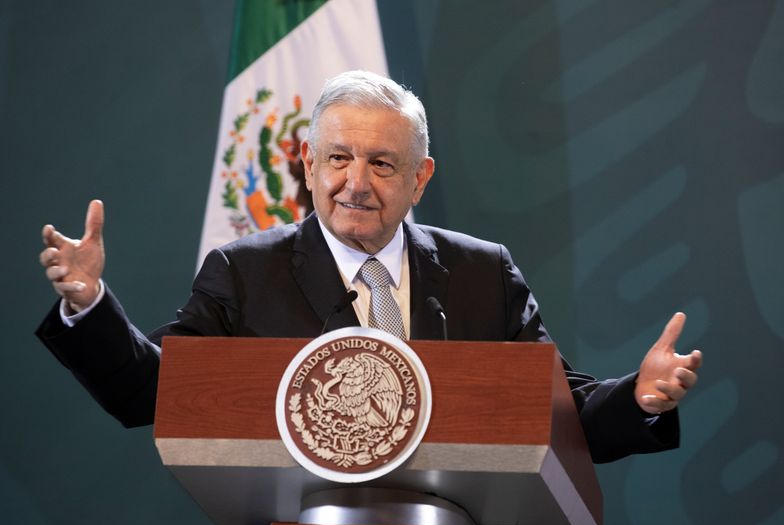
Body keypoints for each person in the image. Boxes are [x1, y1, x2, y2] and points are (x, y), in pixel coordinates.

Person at [36, 70, 701, 463]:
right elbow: (154, 393)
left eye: (382, 164)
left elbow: (553, 408)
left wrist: (636, 396)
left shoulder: (482, 272)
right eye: (338, 158)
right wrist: (90, 303)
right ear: (308, 164)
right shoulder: (243, 272)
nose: (355, 182)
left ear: (420, 178)